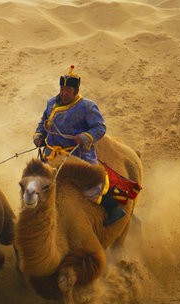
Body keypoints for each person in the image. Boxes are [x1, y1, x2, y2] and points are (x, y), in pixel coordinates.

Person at [33, 66, 125, 226]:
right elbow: (43, 122)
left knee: (90, 188)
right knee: (34, 182)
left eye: (68, 89)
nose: (64, 92)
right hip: (51, 155)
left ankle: (113, 209)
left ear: (76, 91)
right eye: (62, 88)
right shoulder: (51, 103)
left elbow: (100, 127)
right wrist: (40, 135)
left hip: (77, 155)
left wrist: (84, 137)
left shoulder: (87, 107)